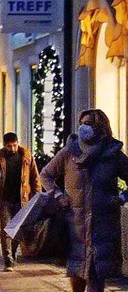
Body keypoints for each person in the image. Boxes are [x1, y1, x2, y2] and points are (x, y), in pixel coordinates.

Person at [41, 109, 128, 292]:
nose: (83, 127)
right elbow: (46, 175)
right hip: (75, 225)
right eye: (81, 122)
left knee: (97, 275)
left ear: (100, 127)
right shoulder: (69, 152)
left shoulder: (112, 154)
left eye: (88, 123)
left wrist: (121, 197)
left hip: (103, 225)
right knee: (77, 273)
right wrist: (58, 195)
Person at [0, 132, 41, 271]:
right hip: (3, 199)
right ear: (4, 145)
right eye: (9, 146)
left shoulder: (26, 157)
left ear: (17, 143)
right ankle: (8, 260)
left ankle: (13, 254)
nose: (13, 149)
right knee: (6, 229)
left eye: (14, 145)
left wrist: (37, 194)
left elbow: (35, 176)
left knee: (17, 230)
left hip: (21, 199)